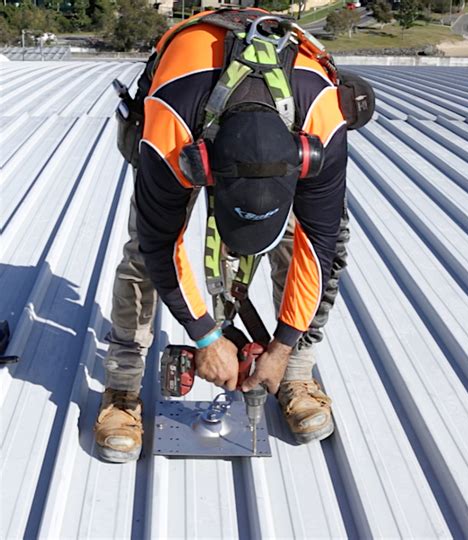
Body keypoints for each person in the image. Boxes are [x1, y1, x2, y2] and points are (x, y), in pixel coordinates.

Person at [94, 8, 350, 463]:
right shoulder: (171, 127)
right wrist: (207, 338)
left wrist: (282, 345)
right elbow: (160, 246)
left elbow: (321, 249)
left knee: (300, 243)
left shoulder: (321, 124)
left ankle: (294, 373)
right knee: (142, 253)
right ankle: (122, 387)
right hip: (191, 109)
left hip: (285, 111)